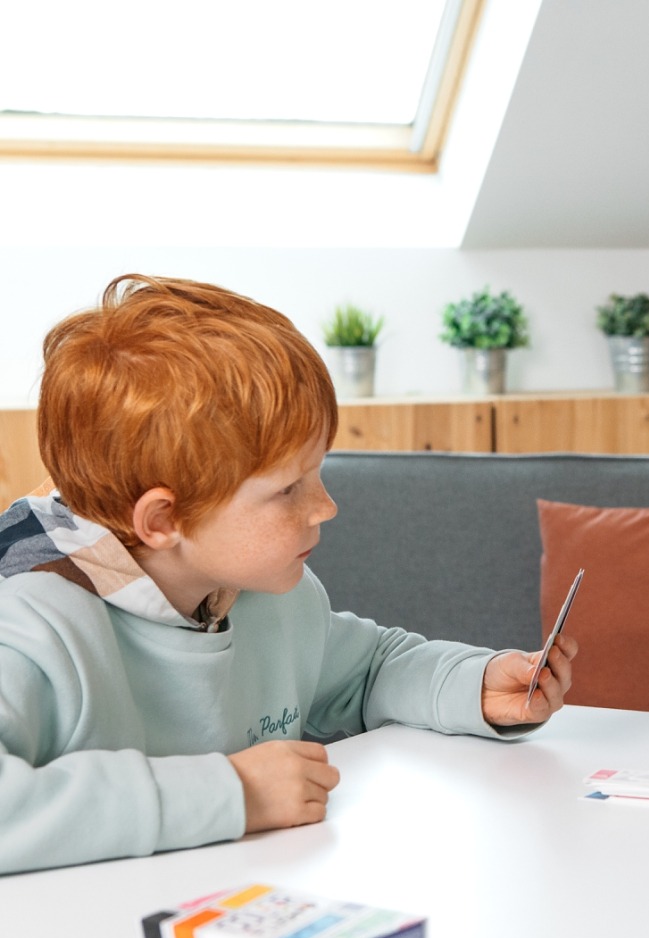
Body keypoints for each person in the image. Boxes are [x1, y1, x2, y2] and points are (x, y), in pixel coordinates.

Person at [0, 275, 575, 876]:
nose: (326, 506)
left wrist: (472, 685)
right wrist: (231, 793)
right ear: (163, 519)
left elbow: (367, 670)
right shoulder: (34, 622)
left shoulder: (271, 596)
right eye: (288, 488)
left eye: (317, 473)